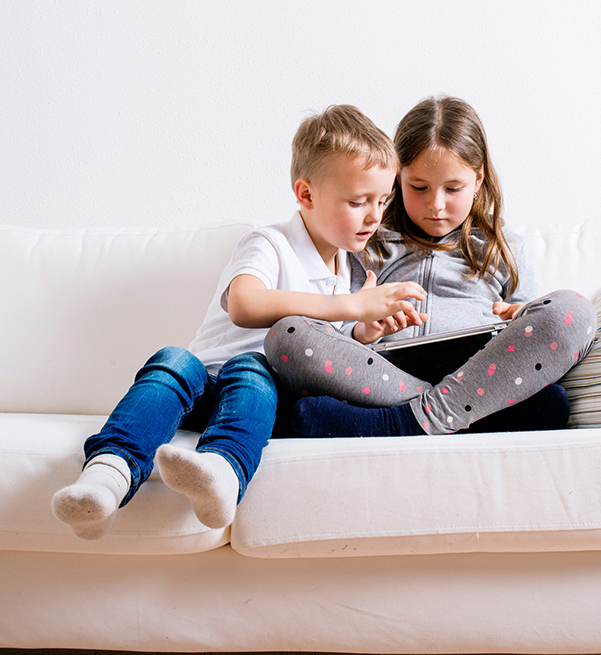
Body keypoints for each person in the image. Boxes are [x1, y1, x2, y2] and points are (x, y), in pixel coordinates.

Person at [52, 104, 426, 539]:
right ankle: (104, 478)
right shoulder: (269, 243)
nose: (374, 217)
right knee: (175, 358)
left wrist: (364, 331)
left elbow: (324, 350)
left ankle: (221, 473)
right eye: (358, 202)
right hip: (198, 388)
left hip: (252, 400)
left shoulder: (351, 270)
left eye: (382, 201)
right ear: (305, 195)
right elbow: (244, 304)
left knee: (252, 369)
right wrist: (352, 307)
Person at [264, 96, 596, 438]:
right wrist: (361, 330)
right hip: (384, 376)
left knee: (575, 312)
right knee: (285, 334)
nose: (435, 205)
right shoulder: (367, 240)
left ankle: (400, 422)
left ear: (478, 180)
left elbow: (534, 323)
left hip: (481, 374)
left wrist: (518, 314)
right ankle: (449, 417)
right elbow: (336, 326)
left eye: (453, 189)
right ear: (396, 179)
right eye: (418, 188)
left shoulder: (503, 246)